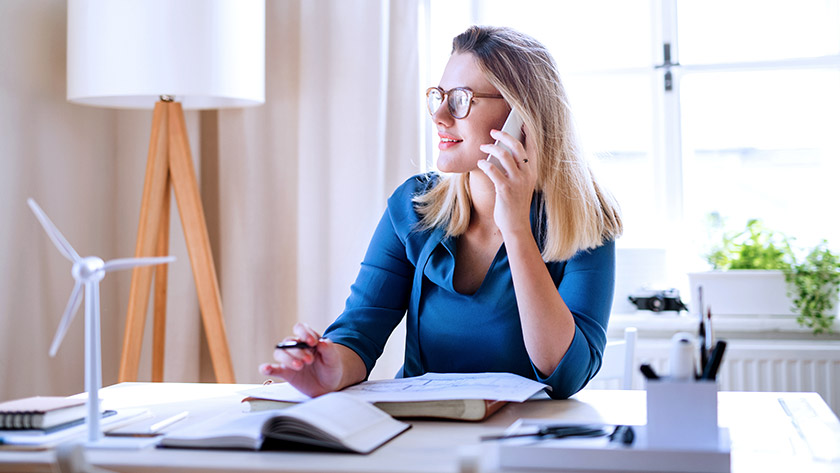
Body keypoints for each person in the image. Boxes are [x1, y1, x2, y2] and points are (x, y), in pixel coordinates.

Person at [260, 25, 623, 399]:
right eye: (439, 96)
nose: (440, 116)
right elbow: (360, 331)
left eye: (462, 99)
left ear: (522, 117)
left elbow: (565, 375)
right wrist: (329, 367)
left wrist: (515, 228)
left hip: (526, 446)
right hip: (421, 438)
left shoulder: (587, 221)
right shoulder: (413, 206)